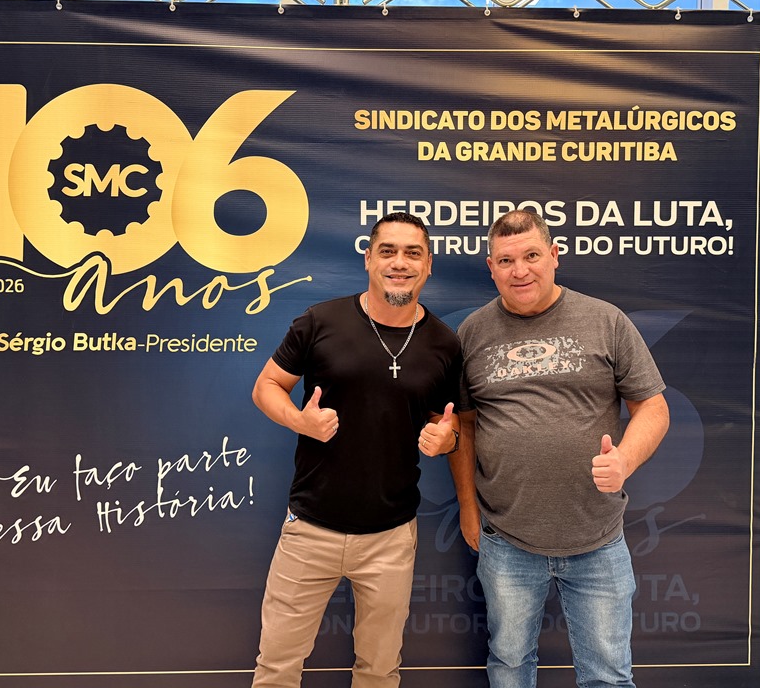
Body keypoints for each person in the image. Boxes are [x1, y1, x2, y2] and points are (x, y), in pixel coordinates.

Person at [449, 209, 669, 688]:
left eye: (531, 256)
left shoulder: (606, 321)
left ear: (554, 256)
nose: (520, 270)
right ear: (491, 268)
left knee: (608, 676)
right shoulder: (471, 333)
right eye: (506, 261)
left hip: (597, 537)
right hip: (506, 538)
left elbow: (652, 407)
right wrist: (467, 506)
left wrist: (625, 460)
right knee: (509, 666)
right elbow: (462, 426)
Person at [250, 211, 462, 688]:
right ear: (368, 259)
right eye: (388, 251)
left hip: (391, 536)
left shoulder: (445, 344)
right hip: (310, 529)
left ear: (429, 265)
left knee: (379, 671)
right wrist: (300, 421)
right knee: (276, 669)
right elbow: (266, 386)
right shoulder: (320, 321)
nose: (400, 263)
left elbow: (449, 424)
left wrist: (446, 439)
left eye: (412, 253)